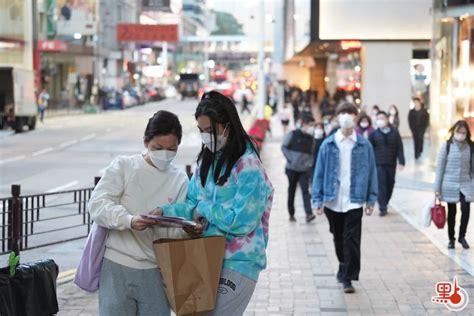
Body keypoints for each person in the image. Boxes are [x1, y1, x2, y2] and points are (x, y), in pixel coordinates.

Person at [153, 91, 274, 315]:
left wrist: (204, 208)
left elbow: (241, 222)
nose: (205, 137)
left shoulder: (248, 166)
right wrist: (164, 212)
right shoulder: (205, 161)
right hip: (205, 256)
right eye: (201, 131)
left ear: (227, 126)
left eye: (210, 131)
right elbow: (191, 201)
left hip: (238, 261)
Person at [88, 111, 190, 316]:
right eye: (158, 148)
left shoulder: (180, 180)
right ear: (146, 142)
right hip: (117, 266)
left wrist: (189, 230)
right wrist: (129, 220)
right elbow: (97, 205)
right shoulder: (124, 166)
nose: (165, 154)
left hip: (157, 270)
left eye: (172, 149)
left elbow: (174, 233)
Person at [312, 102, 378, 294]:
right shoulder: (328, 144)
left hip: (355, 200)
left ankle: (348, 277)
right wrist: (317, 200)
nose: (346, 116)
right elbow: (319, 173)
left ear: (356, 118)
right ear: (337, 117)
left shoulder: (364, 145)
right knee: (338, 237)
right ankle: (343, 264)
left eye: (350, 113)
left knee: (352, 239)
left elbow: (372, 172)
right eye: (343, 113)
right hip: (333, 200)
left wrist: (371, 200)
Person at [434, 120, 473, 250]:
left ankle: (462, 236)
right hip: (449, 184)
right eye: (458, 132)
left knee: (466, 209)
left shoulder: (471, 147)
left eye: (463, 132)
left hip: (465, 183)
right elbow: (440, 168)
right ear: (454, 132)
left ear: (467, 133)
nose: (461, 135)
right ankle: (451, 238)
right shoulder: (447, 145)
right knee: (452, 212)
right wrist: (437, 189)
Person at [369, 111, 405, 216]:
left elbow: (399, 147)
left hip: (391, 162)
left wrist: (401, 161)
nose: (380, 120)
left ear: (386, 119)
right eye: (378, 118)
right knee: (381, 185)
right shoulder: (373, 134)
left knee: (390, 183)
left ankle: (385, 201)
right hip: (379, 163)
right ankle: (382, 207)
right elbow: (369, 150)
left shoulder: (394, 132)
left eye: (382, 118)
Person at [281, 116, 317, 223]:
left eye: (311, 126)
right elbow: (283, 147)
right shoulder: (293, 134)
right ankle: (291, 213)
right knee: (291, 190)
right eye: (308, 125)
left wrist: (309, 163)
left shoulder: (311, 139)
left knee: (305, 190)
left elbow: (312, 153)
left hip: (304, 170)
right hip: (291, 169)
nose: (310, 128)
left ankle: (309, 213)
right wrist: (291, 160)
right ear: (303, 124)